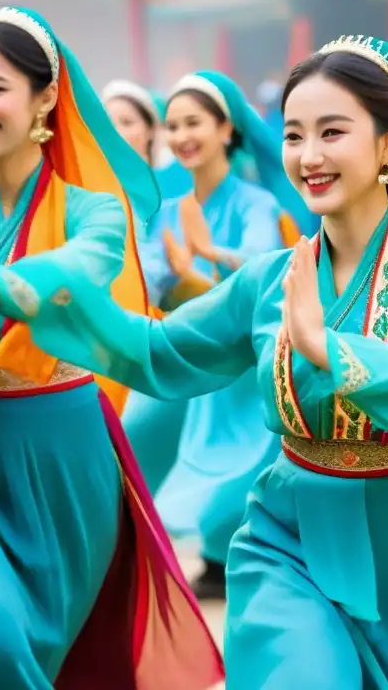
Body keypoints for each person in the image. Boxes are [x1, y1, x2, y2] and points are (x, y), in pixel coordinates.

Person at [0, 34, 388, 688]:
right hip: (288, 537)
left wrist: (328, 348)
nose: (309, 157)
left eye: (332, 133)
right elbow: (158, 352)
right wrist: (25, 288)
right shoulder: (269, 280)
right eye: (294, 135)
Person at [0, 6, 221, 687]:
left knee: (48, 657)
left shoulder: (94, 211)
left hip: (65, 467)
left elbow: (72, 279)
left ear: (46, 96)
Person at [123, 70, 301, 600]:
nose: (181, 135)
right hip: (185, 346)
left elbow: (261, 265)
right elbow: (152, 271)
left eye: (194, 122)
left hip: (240, 357)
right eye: (173, 125)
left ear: (227, 129)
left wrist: (210, 257)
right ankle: (132, 549)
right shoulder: (172, 201)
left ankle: (223, 557)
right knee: (134, 431)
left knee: (235, 455)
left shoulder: (255, 201)